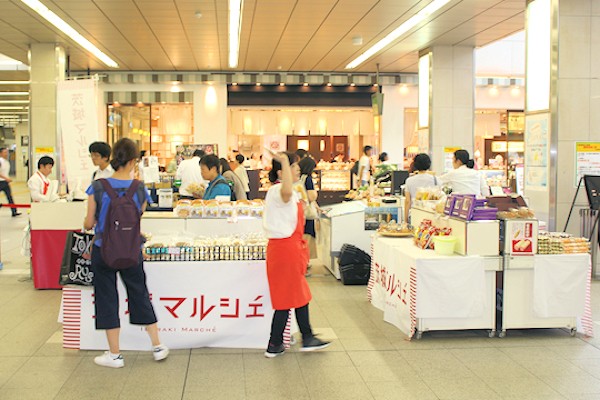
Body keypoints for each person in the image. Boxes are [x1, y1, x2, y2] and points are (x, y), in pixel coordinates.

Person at [83, 138, 168, 369]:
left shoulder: (98, 186)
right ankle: (158, 345)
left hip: (104, 250)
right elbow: (138, 217)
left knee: (107, 297)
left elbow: (89, 223)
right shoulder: (139, 188)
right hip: (131, 251)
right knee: (139, 293)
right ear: (133, 161)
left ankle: (115, 354)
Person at [263, 152, 331, 358]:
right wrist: (283, 161)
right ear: (281, 172)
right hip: (285, 250)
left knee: (296, 294)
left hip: (290, 249)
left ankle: (295, 339)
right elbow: (285, 192)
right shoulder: (278, 191)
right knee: (289, 296)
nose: (298, 169)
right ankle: (278, 343)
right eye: (293, 167)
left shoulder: (290, 192)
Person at [297, 156, 318, 275]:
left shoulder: (298, 179)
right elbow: (311, 197)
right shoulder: (308, 179)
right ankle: (303, 264)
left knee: (301, 239)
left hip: (300, 212)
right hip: (307, 215)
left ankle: (303, 263)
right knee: (307, 239)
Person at [404, 153, 437, 222]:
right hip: (431, 215)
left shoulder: (409, 180)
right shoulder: (436, 180)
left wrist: (405, 220)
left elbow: (408, 201)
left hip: (414, 214)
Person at [0, 147, 20, 216]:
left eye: (7, 152)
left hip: (5, 182)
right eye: (5, 152)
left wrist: (7, 179)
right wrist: (6, 178)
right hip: (0, 182)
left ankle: (14, 211)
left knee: (10, 197)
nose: (6, 154)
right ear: (1, 153)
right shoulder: (0, 161)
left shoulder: (6, 162)